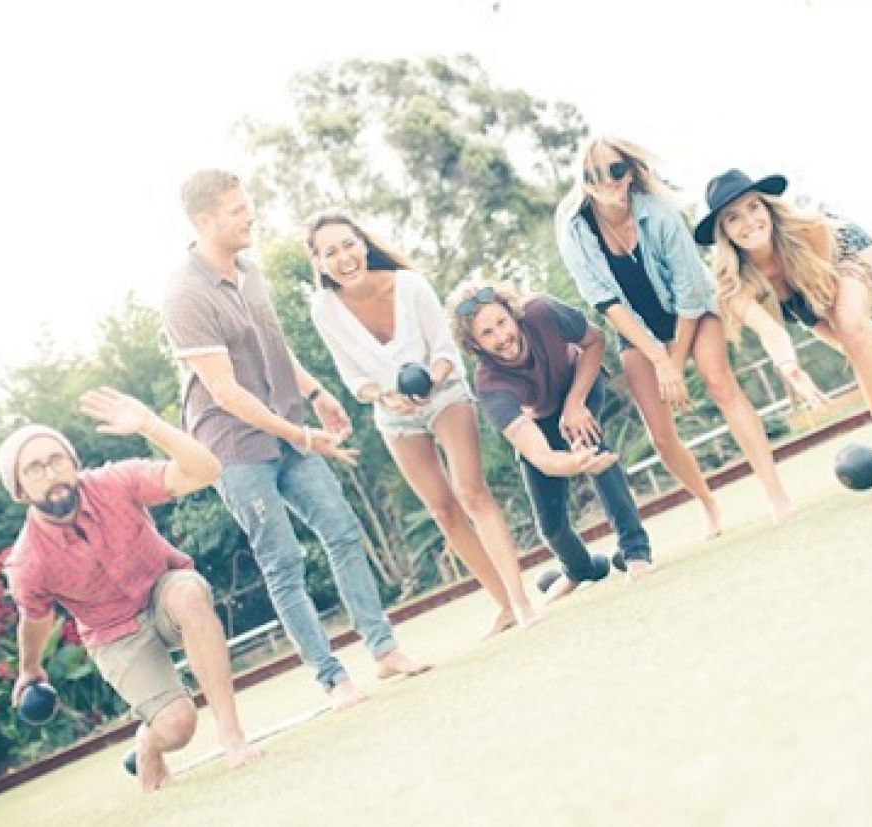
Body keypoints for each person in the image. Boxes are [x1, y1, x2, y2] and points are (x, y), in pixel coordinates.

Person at [161, 170, 428, 712]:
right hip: (234, 447)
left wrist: (317, 392)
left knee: (344, 531)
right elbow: (226, 392)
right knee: (284, 563)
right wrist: (303, 433)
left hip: (287, 425)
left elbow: (274, 348)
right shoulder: (185, 296)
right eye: (237, 210)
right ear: (204, 220)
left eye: (246, 205)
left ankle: (383, 649)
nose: (250, 215)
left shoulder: (250, 271)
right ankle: (333, 680)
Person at [0, 388, 263, 792]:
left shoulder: (115, 481)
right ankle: (148, 740)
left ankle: (232, 736)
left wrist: (151, 425)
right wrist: (30, 669)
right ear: (20, 490)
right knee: (177, 726)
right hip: (113, 635)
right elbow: (35, 618)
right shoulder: (27, 560)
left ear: (73, 463)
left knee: (189, 592)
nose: (50, 474)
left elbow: (206, 470)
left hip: (163, 593)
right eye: (34, 469)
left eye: (56, 461)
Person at [305, 211, 538, 634]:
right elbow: (352, 376)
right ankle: (502, 603)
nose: (344, 257)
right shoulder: (324, 310)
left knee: (471, 493)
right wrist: (385, 395)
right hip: (394, 415)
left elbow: (447, 350)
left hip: (445, 393)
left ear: (363, 243)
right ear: (319, 263)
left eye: (348, 245)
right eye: (331, 252)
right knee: (443, 510)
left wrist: (431, 380)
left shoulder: (408, 285)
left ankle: (522, 602)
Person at [555, 136, 795, 534]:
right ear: (583, 180)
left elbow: (689, 292)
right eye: (593, 174)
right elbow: (607, 304)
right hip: (637, 330)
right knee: (662, 437)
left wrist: (676, 363)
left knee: (720, 384)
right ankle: (709, 504)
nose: (606, 181)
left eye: (615, 170)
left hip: (693, 313)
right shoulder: (575, 235)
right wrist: (661, 360)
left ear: (630, 172)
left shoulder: (660, 214)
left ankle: (776, 494)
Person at [694, 169, 872, 470]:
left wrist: (852, 336)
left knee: (852, 328)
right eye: (733, 217)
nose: (749, 222)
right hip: (801, 303)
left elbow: (835, 304)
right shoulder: (733, 283)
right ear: (723, 231)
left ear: (767, 207)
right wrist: (789, 366)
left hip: (842, 256)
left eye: (753, 207)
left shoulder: (811, 231)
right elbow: (770, 331)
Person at [447, 280, 654, 592]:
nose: (501, 337)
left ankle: (635, 550)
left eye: (502, 323)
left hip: (580, 382)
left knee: (589, 443)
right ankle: (580, 568)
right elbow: (542, 457)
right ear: (474, 345)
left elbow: (595, 342)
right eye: (486, 334)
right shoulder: (490, 385)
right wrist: (572, 463)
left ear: (512, 314)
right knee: (549, 524)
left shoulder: (541, 310)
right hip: (540, 417)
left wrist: (575, 403)